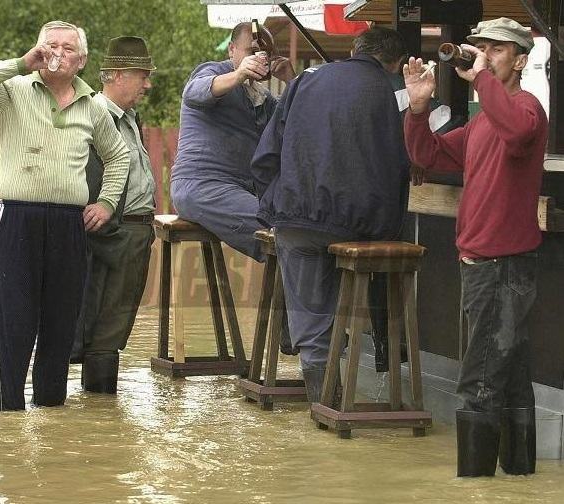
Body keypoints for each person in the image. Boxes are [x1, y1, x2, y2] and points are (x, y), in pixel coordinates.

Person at [403, 17, 548, 477]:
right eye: (482, 47)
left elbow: (519, 132)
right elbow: (427, 155)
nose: (485, 55)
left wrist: (482, 77)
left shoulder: (526, 110)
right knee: (510, 377)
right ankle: (518, 479)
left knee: (479, 378)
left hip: (502, 265)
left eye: (498, 50)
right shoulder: (485, 121)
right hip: (485, 262)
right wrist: (419, 109)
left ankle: (474, 487)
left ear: (521, 60)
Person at [0, 21, 130, 411]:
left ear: (82, 59)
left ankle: (52, 420)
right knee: (14, 325)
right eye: (49, 45)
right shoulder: (12, 92)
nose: (57, 52)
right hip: (17, 220)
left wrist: (106, 202)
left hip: (68, 224)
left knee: (60, 327)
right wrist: (20, 63)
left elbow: (117, 156)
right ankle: (7, 420)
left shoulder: (93, 106)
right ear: (38, 51)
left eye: (67, 47)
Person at [251, 27, 411, 402]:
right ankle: (363, 370)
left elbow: (265, 157)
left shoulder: (305, 81)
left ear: (354, 49)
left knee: (310, 311)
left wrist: (277, 202)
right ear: (396, 63)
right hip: (357, 226)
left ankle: (323, 405)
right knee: (351, 286)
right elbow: (396, 168)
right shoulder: (385, 93)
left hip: (296, 220)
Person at [170, 21, 296, 354]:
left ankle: (295, 333)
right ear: (232, 51)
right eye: (251, 51)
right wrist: (239, 73)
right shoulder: (213, 72)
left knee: (296, 231)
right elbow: (196, 92)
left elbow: (294, 125)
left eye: (264, 54)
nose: (258, 59)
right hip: (200, 185)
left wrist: (293, 81)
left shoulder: (264, 98)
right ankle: (297, 333)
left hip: (238, 190)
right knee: (280, 234)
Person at [70, 37, 156, 394]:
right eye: (142, 75)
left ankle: (94, 422)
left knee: (107, 328)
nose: (148, 84)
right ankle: (99, 415)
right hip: (114, 234)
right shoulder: (96, 116)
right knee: (104, 330)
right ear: (117, 75)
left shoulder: (129, 117)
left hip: (130, 232)